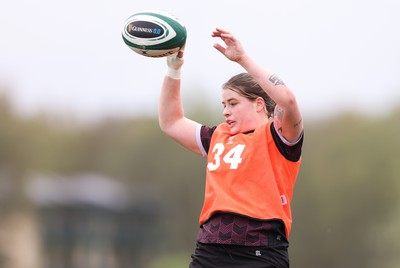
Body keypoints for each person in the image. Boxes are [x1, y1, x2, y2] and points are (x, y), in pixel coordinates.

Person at [158, 28, 304, 268]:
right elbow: (171, 122)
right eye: (224, 104)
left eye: (233, 103)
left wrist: (242, 59)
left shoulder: (278, 136)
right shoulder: (218, 136)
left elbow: (287, 100)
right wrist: (174, 69)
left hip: (260, 251)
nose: (226, 111)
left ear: (259, 104)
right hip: (210, 250)